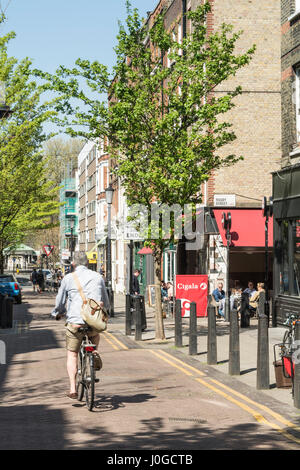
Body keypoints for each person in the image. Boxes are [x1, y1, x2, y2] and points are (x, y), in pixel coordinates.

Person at [51, 252, 110, 400]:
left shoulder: (68, 278)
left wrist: (58, 312)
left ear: (73, 264)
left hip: (75, 322)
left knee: (72, 354)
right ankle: (94, 352)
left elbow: (60, 301)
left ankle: (72, 388)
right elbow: (106, 300)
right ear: (88, 262)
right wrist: (106, 309)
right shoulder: (98, 277)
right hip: (93, 321)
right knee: (95, 334)